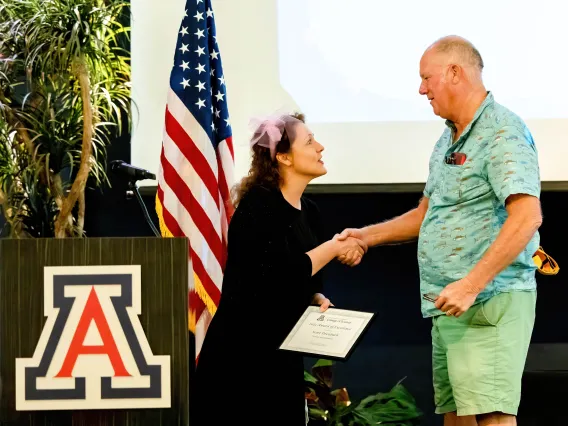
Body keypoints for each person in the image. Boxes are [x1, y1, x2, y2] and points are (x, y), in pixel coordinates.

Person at [338, 36, 542, 426]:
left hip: (487, 301)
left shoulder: (502, 131)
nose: (421, 88)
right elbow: (427, 214)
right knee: (456, 419)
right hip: (449, 305)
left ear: (455, 73)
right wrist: (366, 236)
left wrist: (471, 285)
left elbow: (527, 217)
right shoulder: (447, 138)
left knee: (491, 418)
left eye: (426, 78)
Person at [192, 113, 367, 425]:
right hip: (241, 362)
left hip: (281, 359)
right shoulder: (258, 206)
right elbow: (274, 276)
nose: (321, 147)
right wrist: (334, 247)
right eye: (311, 142)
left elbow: (297, 281)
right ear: (283, 157)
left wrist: (314, 297)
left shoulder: (309, 212)